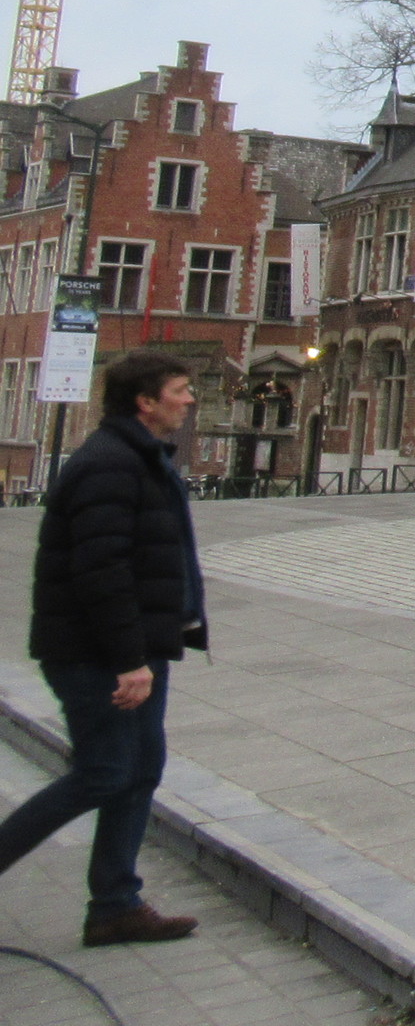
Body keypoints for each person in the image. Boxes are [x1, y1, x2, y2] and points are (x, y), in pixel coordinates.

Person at [0, 351, 206, 946]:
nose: (189, 400)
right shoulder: (110, 465)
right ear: (146, 401)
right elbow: (101, 571)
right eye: (180, 389)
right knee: (104, 771)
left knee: (140, 769)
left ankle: (115, 905)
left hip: (139, 646)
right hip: (96, 654)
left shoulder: (139, 457)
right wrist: (128, 660)